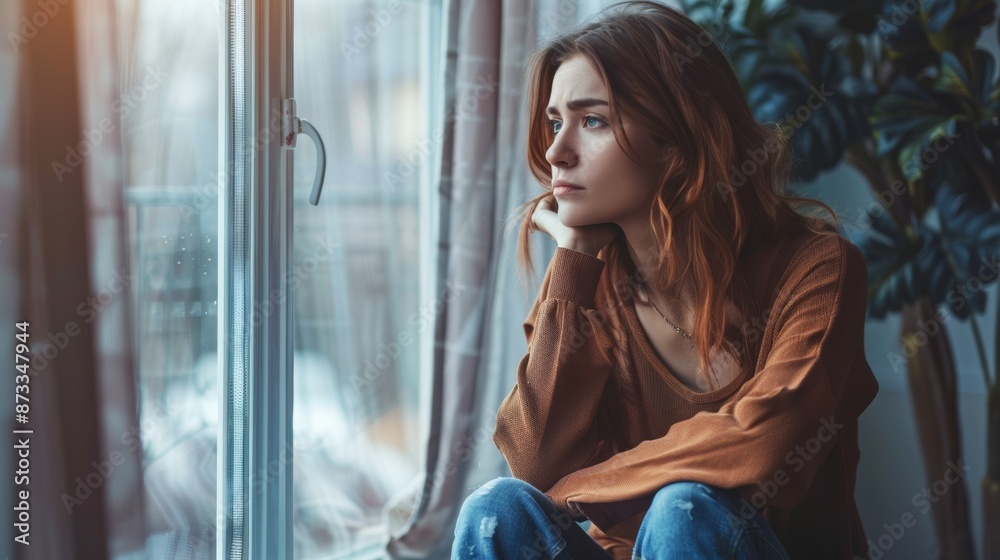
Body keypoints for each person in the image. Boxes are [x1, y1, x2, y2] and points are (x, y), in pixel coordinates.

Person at [451, 1, 880, 559]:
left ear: (676, 137)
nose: (556, 151)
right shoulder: (588, 281)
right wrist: (573, 260)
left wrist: (580, 490)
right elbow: (535, 465)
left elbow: (765, 440)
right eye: (556, 122)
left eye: (593, 120)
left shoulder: (818, 268)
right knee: (497, 507)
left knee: (683, 510)